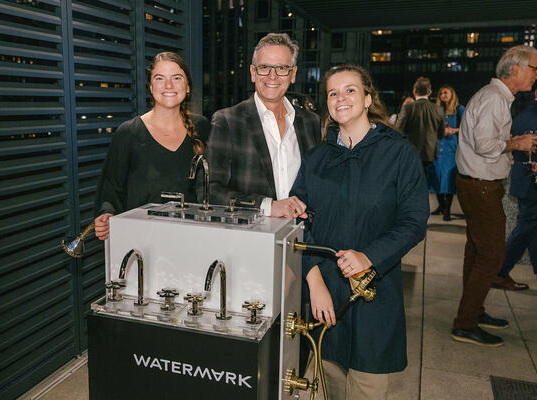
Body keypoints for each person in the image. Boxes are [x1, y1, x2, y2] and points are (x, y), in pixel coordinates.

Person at [290, 65, 429, 400]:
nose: (341, 98)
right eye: (333, 92)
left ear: (368, 98)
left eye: (350, 90)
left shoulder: (398, 153)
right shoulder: (317, 158)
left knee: (367, 386)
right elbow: (300, 224)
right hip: (325, 293)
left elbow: (413, 221)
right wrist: (313, 280)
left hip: (375, 294)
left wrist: (370, 256)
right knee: (321, 383)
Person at [451, 45, 537, 347]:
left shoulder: (497, 97)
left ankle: (474, 311)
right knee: (491, 257)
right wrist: (516, 144)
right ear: (515, 70)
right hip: (481, 186)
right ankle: (465, 323)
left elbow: (485, 140)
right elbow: (486, 145)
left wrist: (512, 141)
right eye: (534, 69)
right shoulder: (493, 99)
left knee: (476, 252)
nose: (535, 76)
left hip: (477, 183)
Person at [93, 52, 210, 240]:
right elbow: (110, 191)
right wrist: (106, 215)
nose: (169, 86)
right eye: (160, 78)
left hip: (192, 239)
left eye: (176, 78)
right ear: (150, 86)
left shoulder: (202, 127)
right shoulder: (128, 133)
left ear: (187, 86)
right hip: (142, 242)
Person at [205, 33, 321, 218]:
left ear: (293, 74)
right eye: (265, 67)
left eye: (282, 68)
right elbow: (209, 190)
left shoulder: (311, 122)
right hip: (250, 239)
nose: (272, 76)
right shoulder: (227, 121)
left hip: (302, 237)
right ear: (253, 73)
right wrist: (267, 206)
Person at [492, 82, 537, 291]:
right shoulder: (530, 116)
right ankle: (499, 272)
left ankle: (500, 271)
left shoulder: (523, 115)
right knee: (527, 226)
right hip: (530, 181)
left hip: (525, 180)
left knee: (530, 227)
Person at [399, 77, 446, 178]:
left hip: (409, 153)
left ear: (414, 91)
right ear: (429, 92)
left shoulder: (408, 107)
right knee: (424, 184)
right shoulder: (438, 110)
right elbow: (441, 134)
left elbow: (398, 130)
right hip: (429, 153)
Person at [431, 85, 465, 221]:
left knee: (448, 179)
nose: (443, 95)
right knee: (436, 177)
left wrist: (453, 131)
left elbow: (466, 127)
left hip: (451, 148)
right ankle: (441, 206)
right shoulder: (438, 110)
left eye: (446, 93)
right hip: (438, 146)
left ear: (452, 94)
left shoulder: (459, 109)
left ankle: (447, 210)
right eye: (441, 93)